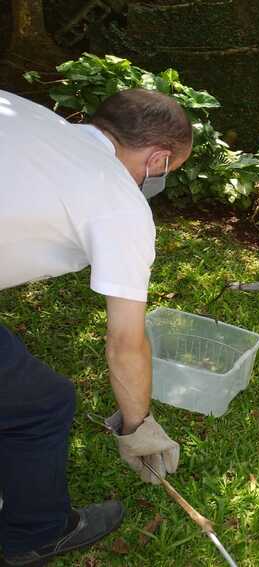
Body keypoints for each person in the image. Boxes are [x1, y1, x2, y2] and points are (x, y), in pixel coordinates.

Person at [0, 88, 191, 565]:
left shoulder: (26, 112)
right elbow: (126, 341)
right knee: (42, 403)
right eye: (168, 171)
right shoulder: (119, 202)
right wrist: (137, 426)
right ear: (158, 158)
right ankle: (37, 534)